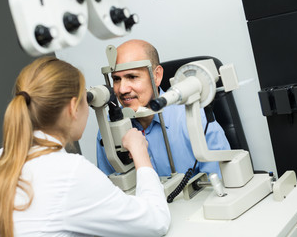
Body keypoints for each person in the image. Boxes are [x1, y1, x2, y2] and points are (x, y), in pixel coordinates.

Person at [0, 56, 170, 237]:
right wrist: (140, 153)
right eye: (86, 100)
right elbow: (156, 221)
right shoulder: (69, 171)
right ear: (72, 108)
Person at [97, 39, 231, 177]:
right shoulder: (108, 131)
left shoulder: (194, 119)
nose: (122, 89)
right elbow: (109, 189)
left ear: (157, 76)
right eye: (116, 79)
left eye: (132, 76)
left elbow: (222, 184)